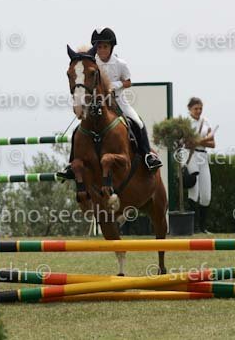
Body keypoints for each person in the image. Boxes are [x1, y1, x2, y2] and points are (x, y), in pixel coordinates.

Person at [59, 27, 163, 180]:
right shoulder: (91, 63)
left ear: (111, 47)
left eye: (105, 46)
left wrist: (116, 85)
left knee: (138, 122)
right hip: (99, 102)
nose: (102, 50)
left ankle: (148, 155)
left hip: (118, 100)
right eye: (99, 47)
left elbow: (128, 82)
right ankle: (71, 164)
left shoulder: (120, 64)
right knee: (78, 130)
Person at [184, 97, 216, 234]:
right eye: (196, 108)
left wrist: (198, 141)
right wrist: (204, 140)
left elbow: (212, 144)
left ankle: (203, 227)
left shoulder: (205, 121)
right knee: (194, 191)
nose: (198, 111)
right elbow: (187, 143)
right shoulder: (186, 122)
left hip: (203, 156)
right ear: (190, 109)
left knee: (206, 195)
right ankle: (194, 227)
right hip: (191, 155)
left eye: (200, 108)